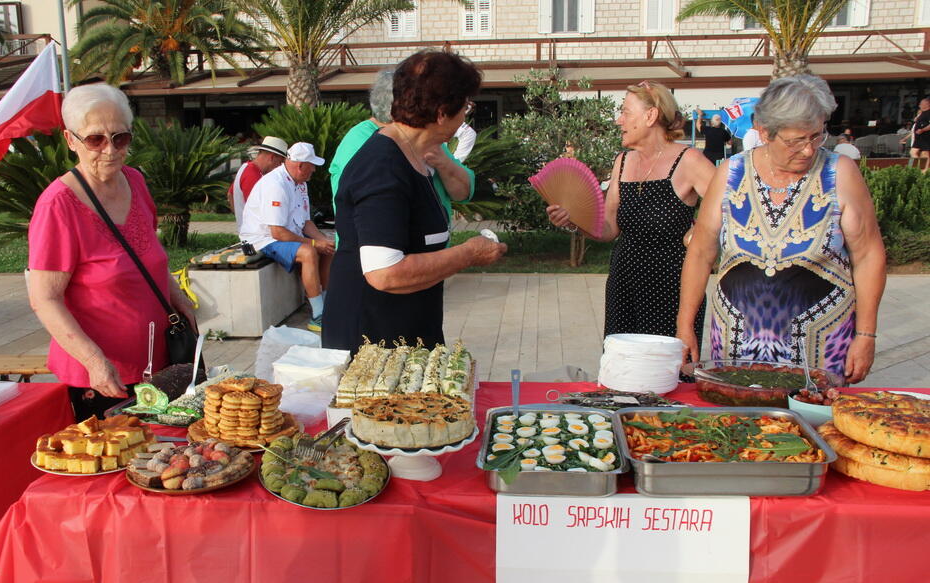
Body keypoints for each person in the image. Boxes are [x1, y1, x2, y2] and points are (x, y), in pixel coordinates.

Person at [677, 74, 886, 383]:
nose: (808, 150)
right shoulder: (731, 173)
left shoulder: (840, 173)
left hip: (821, 345)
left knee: (817, 413)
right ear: (764, 132)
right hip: (736, 344)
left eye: (816, 136)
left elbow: (868, 256)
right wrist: (685, 325)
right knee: (736, 411)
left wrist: (866, 334)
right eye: (795, 141)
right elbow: (701, 252)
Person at [28, 83, 197, 419]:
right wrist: (93, 360)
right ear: (70, 140)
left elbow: (149, 256)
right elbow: (44, 299)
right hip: (106, 378)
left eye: (121, 138)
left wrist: (179, 300)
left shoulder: (134, 181)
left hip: (160, 364)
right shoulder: (58, 205)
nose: (110, 150)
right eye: (95, 139)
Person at [323, 49, 506, 355]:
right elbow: (385, 272)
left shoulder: (417, 154)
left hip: (406, 328)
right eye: (465, 106)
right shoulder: (382, 167)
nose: (465, 115)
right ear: (442, 112)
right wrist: (469, 253)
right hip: (373, 340)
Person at [547, 80, 716, 345]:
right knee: (622, 364)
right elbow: (608, 229)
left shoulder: (688, 161)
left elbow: (733, 206)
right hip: (624, 284)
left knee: (665, 367)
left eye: (625, 112)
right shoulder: (622, 162)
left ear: (651, 116)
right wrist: (573, 220)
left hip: (671, 289)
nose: (619, 120)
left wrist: (702, 233)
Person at [329, 67, 473, 222]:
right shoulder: (360, 140)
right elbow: (373, 211)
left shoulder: (424, 137)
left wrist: (444, 163)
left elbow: (463, 192)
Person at [241, 142, 335, 332]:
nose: (314, 170)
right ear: (300, 165)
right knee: (309, 252)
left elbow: (306, 222)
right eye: (312, 165)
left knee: (328, 248)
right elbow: (278, 233)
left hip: (284, 235)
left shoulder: (300, 184)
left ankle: (326, 306)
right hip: (262, 239)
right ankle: (318, 315)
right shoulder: (275, 185)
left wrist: (323, 241)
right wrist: (314, 243)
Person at [227, 136, 288, 231]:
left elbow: (230, 194)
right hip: (257, 232)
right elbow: (263, 208)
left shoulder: (246, 168)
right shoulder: (253, 175)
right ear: (272, 157)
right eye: (280, 162)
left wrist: (240, 218)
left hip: (250, 230)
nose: (279, 167)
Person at [912, 97, 930, 173]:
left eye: (921, 104)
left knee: (924, 153)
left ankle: (924, 170)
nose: (920, 105)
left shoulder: (929, 113)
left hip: (925, 137)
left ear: (927, 104)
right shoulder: (923, 113)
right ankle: (921, 169)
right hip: (919, 138)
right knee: (914, 152)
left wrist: (922, 130)